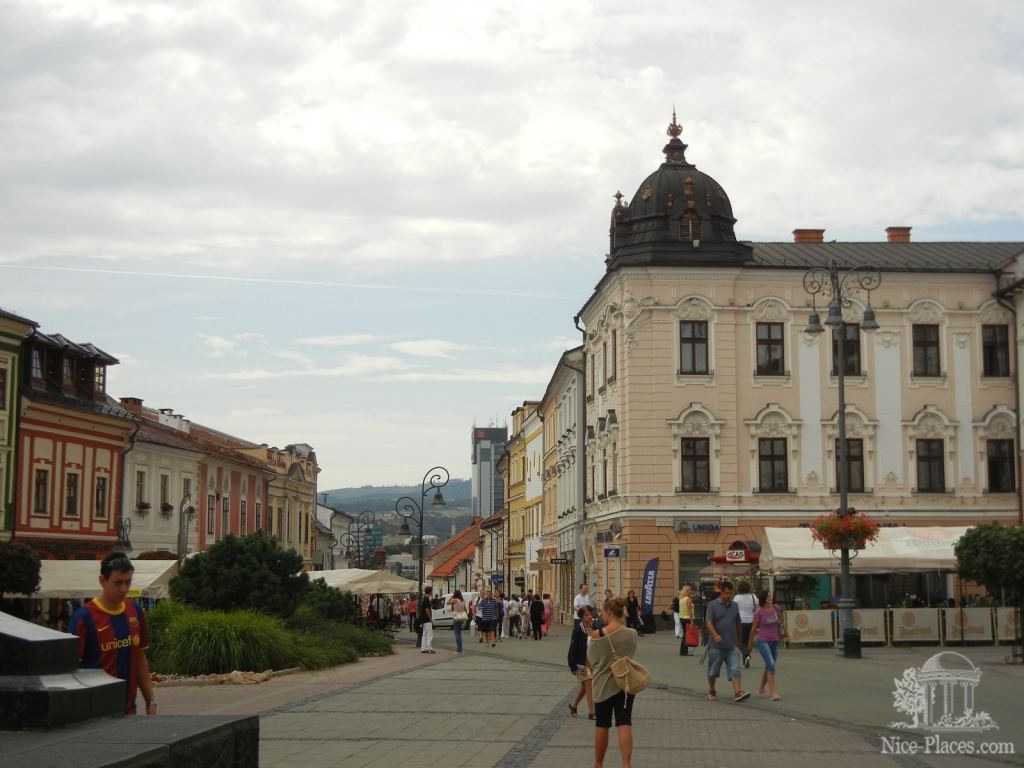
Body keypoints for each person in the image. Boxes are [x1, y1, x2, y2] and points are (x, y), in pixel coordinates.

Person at [68, 552, 157, 716]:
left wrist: (150, 701)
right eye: (117, 583)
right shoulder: (83, 618)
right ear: (102, 581)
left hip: (129, 710)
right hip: (94, 712)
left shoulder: (135, 611)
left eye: (128, 582)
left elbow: (140, 658)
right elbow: (71, 669)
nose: (124, 589)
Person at [582, 597, 638, 768]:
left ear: (607, 612)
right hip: (625, 684)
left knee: (602, 725)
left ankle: (598, 764)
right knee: (624, 722)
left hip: (603, 685)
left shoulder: (599, 637)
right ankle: (627, 765)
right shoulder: (632, 634)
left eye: (603, 613)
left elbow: (591, 660)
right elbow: (631, 653)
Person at [705, 581, 749, 702]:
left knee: (735, 668)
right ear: (721, 592)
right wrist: (715, 635)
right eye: (726, 593)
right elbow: (708, 622)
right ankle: (712, 689)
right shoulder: (712, 605)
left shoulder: (735, 605)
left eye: (730, 593)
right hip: (716, 646)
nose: (728, 596)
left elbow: (738, 623)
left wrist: (739, 642)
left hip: (731, 645)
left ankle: (737, 692)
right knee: (713, 672)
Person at [748, 590, 787, 700]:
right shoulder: (759, 612)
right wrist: (750, 643)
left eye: (770, 596)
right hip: (763, 641)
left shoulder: (776, 608)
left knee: (769, 666)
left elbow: (780, 620)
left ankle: (761, 688)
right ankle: (773, 692)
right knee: (771, 665)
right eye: (768, 596)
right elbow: (753, 628)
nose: (770, 598)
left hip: (775, 641)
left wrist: (783, 631)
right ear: (763, 599)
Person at [567, 605, 595, 720]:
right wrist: (572, 666)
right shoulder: (578, 630)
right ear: (582, 617)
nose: (590, 616)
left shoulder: (594, 627)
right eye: (587, 615)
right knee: (588, 684)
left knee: (584, 688)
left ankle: (573, 706)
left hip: (592, 661)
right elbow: (573, 648)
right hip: (581, 663)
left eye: (590, 614)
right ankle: (592, 712)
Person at [735, 580, 759, 668]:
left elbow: (733, 608)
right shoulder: (753, 596)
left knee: (740, 642)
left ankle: (745, 654)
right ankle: (746, 657)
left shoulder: (737, 598)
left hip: (740, 622)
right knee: (749, 640)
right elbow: (758, 606)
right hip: (751, 622)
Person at [448, 589, 466, 654]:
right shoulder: (462, 601)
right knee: (459, 634)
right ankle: (460, 649)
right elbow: (465, 609)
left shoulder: (455, 600)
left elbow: (447, 602)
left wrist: (452, 596)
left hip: (456, 618)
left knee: (457, 634)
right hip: (461, 617)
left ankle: (459, 650)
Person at [678, 585, 694, 657]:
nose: (691, 591)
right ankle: (684, 652)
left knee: (685, 634)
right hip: (687, 618)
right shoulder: (688, 599)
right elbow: (689, 610)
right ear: (687, 591)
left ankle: (683, 650)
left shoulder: (681, 599)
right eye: (690, 590)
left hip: (681, 617)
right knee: (686, 635)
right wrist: (691, 621)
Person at [419, 586, 435, 653]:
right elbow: (427, 610)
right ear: (430, 591)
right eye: (432, 591)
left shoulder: (424, 599)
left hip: (423, 619)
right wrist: (430, 618)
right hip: (427, 619)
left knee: (424, 634)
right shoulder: (426, 599)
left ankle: (423, 648)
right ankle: (429, 648)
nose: (432, 592)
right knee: (430, 634)